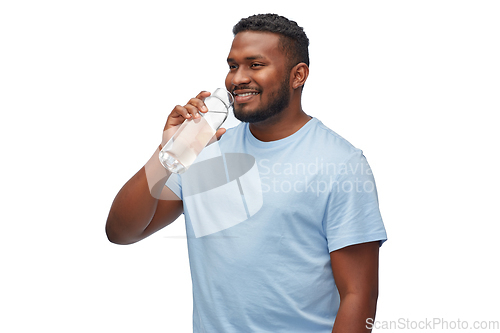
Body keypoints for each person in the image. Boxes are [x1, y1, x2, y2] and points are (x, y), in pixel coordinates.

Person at [106, 13, 387, 333]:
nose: (237, 78)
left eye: (255, 65)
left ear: (298, 76)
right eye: (232, 65)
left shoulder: (340, 164)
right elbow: (121, 232)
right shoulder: (202, 151)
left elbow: (359, 294)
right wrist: (167, 153)